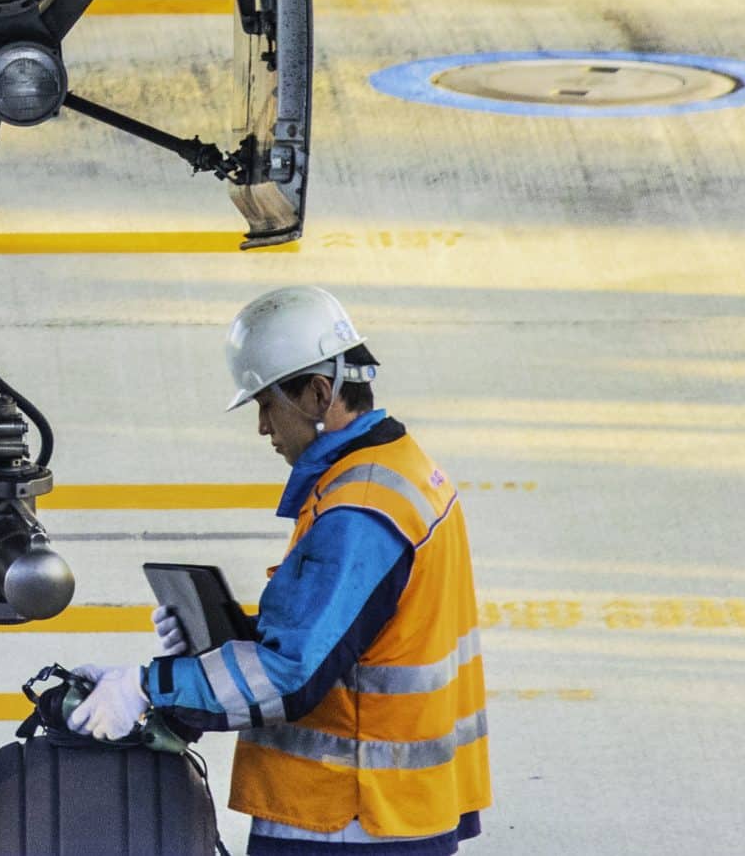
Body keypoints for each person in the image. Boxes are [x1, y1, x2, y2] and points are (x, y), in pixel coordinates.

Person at [67, 285, 490, 855]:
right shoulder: (399, 471)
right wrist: (221, 642)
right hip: (395, 810)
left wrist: (149, 688)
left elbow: (292, 675)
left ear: (320, 393)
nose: (264, 427)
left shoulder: (360, 509)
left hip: (347, 819)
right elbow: (352, 641)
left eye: (267, 404)